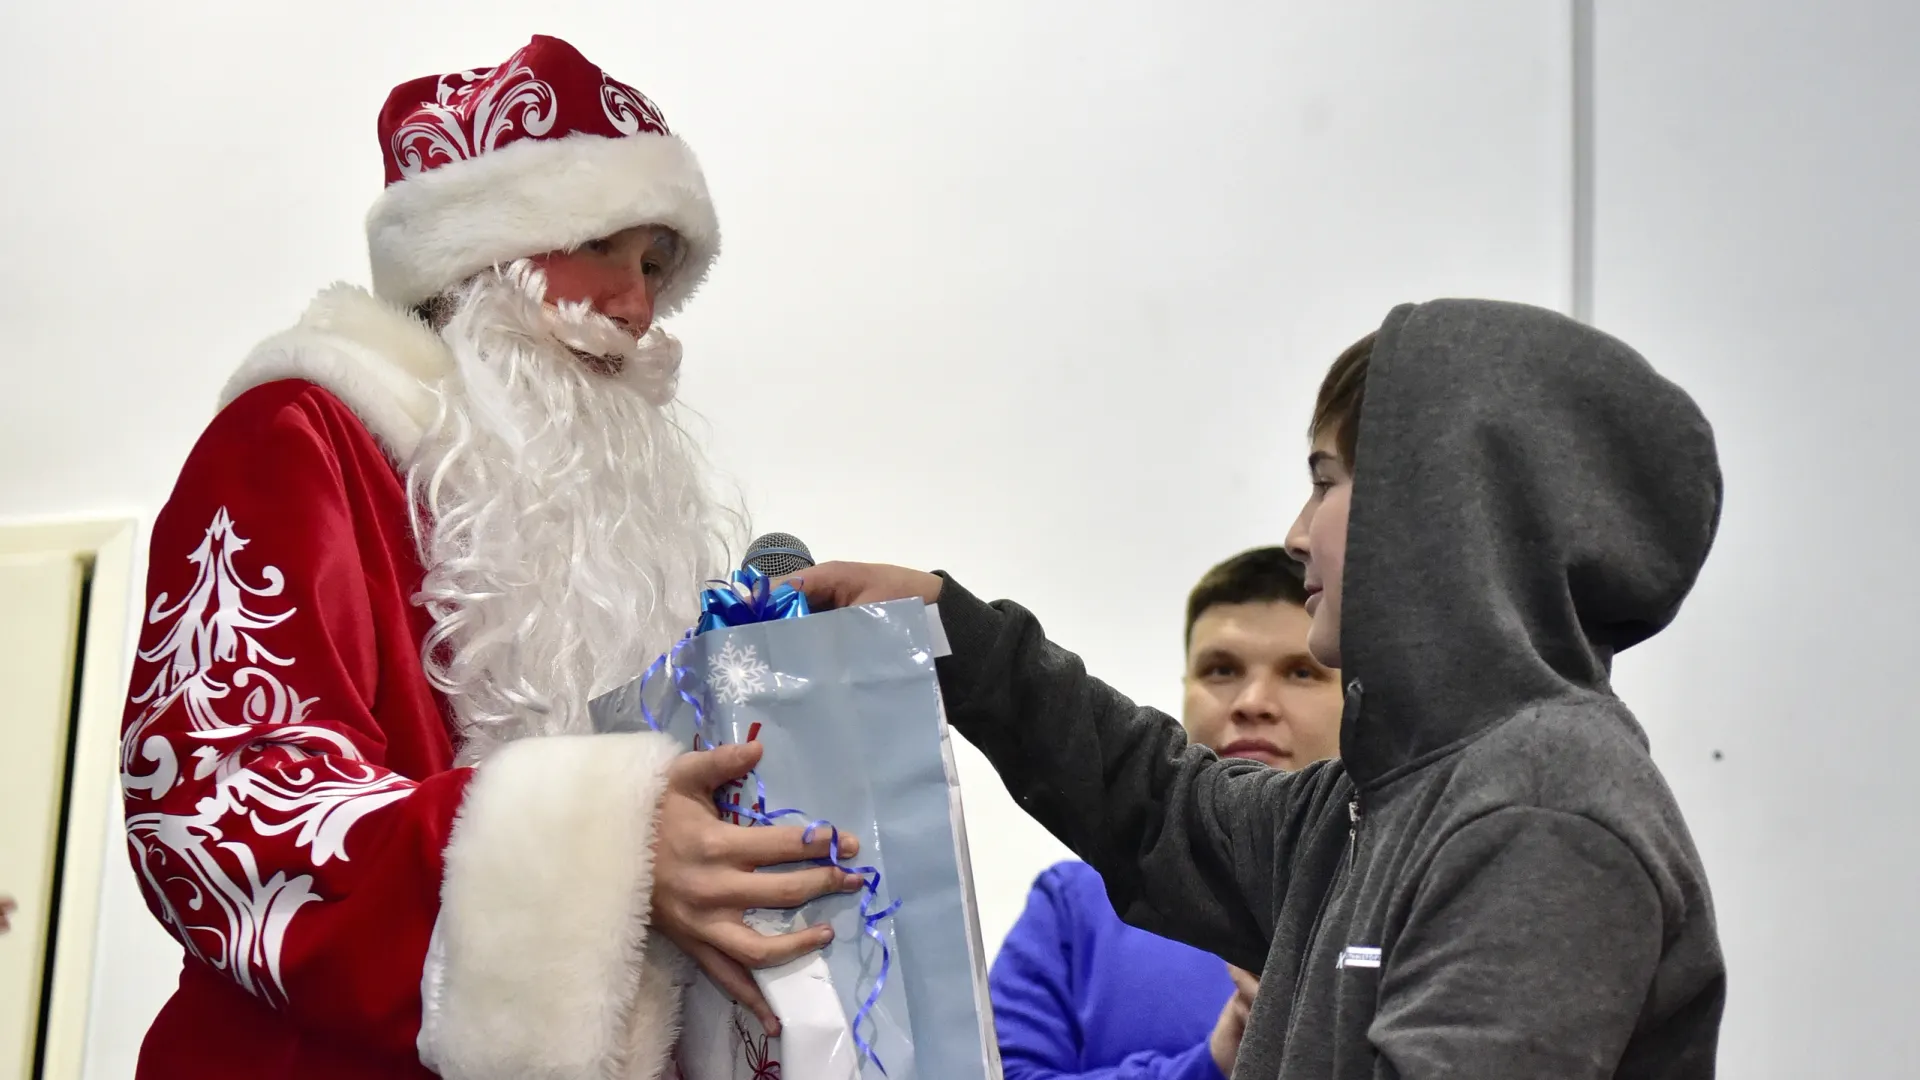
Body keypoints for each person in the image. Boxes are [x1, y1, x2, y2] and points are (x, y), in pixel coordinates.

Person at [118, 35, 861, 1080]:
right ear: (478, 259)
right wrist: (604, 849)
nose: (638, 308)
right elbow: (221, 805)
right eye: (604, 246)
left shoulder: (609, 534)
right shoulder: (297, 441)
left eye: (657, 268)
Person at [789, 299, 1726, 1078]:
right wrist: (952, 631)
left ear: (1446, 510)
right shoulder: (1376, 803)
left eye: (1326, 482)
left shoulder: (1540, 807)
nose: (1295, 530)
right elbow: (1160, 804)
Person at [990, 547, 1343, 1079]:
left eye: (1300, 672)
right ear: (1183, 691)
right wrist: (1212, 1062)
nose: (1252, 700)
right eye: (1221, 669)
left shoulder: (1402, 893)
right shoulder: (1075, 907)